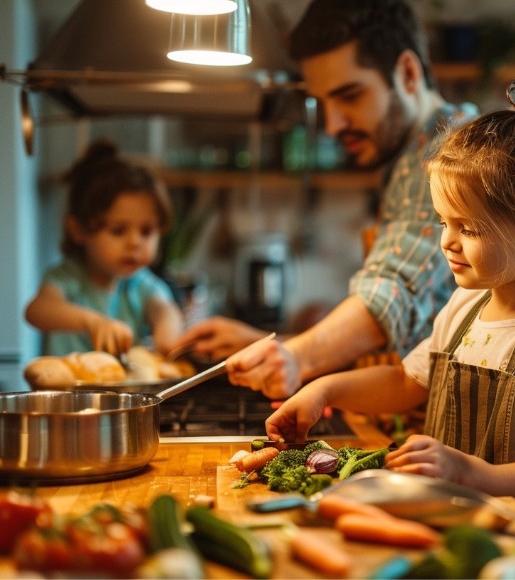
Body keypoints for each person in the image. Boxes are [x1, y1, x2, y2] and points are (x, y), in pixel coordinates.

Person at [266, 67, 515, 529]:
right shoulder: (466, 307)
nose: (447, 242)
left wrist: (467, 472)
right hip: (448, 524)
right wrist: (323, 389)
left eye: (470, 228)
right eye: (444, 222)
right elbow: (406, 382)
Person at [171, 0, 477, 399]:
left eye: (350, 96)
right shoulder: (407, 159)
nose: (333, 125)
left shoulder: (452, 154)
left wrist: (296, 356)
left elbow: (395, 291)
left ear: (406, 73)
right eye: (323, 103)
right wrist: (272, 342)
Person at [25, 140, 184, 356]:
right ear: (78, 230)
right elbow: (37, 310)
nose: (135, 243)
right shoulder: (67, 278)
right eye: (118, 230)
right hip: (66, 388)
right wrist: (92, 322)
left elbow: (164, 310)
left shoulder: (141, 285)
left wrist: (167, 337)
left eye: (146, 231)